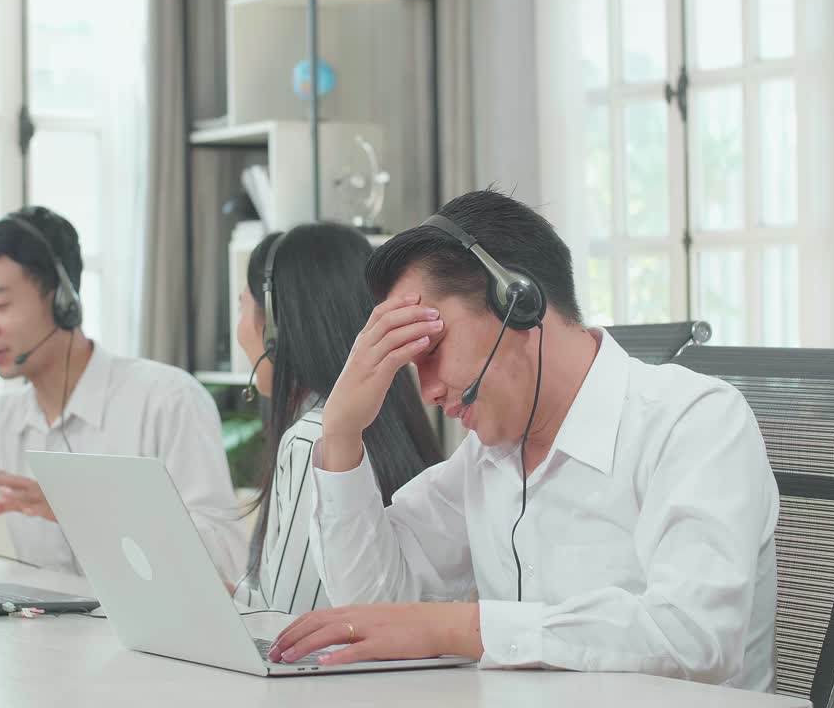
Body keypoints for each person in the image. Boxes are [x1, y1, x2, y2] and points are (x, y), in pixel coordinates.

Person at [266, 190, 780, 692]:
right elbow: (373, 605)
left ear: (518, 301)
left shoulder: (695, 421)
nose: (428, 391)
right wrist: (341, 433)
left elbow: (695, 637)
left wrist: (456, 629)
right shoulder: (488, 457)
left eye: (432, 349)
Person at [0, 207, 246, 577]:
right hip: (47, 637)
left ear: (64, 301)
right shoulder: (8, 419)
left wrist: (84, 512)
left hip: (152, 642)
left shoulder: (166, 400)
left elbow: (223, 559)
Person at [230, 223, 442, 614]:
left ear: (276, 329)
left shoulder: (313, 438)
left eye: (242, 305)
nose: (241, 328)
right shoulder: (391, 423)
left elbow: (289, 623)